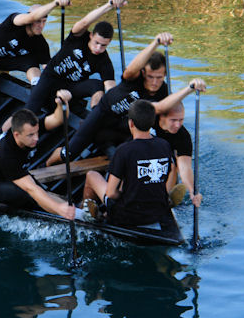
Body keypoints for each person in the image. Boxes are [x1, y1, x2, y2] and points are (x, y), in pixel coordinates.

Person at [45, 31, 175, 166]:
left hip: (122, 128)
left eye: (159, 78)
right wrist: (156, 43)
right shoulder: (133, 79)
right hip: (100, 119)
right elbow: (132, 69)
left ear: (165, 75)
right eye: (150, 77)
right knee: (68, 154)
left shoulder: (163, 92)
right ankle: (47, 164)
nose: (154, 82)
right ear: (143, 73)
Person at [23, 0, 124, 117]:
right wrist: (109, 5)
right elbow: (85, 22)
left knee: (97, 85)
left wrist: (118, 103)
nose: (98, 48)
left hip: (70, 90)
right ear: (91, 35)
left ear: (109, 43)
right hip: (50, 79)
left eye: (103, 45)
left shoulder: (104, 61)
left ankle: (95, 116)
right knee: (28, 113)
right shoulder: (78, 37)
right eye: (96, 43)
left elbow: (110, 86)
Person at [81, 100, 176, 228]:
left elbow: (110, 193)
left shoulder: (124, 150)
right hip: (158, 212)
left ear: (130, 123)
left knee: (92, 175)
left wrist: (122, 195)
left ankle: (86, 215)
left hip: (126, 216)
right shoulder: (165, 145)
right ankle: (167, 200)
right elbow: (172, 171)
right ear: (153, 122)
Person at [0, 108, 84, 220]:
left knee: (42, 192)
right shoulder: (6, 155)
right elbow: (31, 189)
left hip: (14, 173)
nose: (36, 138)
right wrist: (58, 208)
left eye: (37, 132)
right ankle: (68, 213)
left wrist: (61, 103)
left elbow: (57, 119)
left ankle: (79, 214)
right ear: (17, 135)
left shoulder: (31, 128)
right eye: (31, 135)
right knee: (31, 194)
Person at [154, 100, 203, 208]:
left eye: (181, 120)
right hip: (145, 152)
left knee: (172, 165)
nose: (177, 125)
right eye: (173, 120)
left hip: (166, 160)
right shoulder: (150, 122)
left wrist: (192, 191)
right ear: (162, 117)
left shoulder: (183, 137)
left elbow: (184, 167)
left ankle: (166, 199)